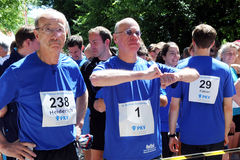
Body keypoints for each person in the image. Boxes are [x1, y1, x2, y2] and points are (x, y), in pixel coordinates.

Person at [89, 17, 199, 160]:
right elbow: (95, 79)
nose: (134, 36)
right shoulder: (109, 66)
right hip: (120, 154)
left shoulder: (151, 66)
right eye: (128, 32)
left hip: (151, 152)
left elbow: (194, 74)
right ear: (115, 38)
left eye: (137, 33)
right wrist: (142, 75)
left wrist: (176, 76)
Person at [0, 9, 88, 160]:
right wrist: (3, 145)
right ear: (37, 35)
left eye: (60, 29)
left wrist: (79, 124)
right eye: (48, 29)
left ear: (66, 33)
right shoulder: (18, 71)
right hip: (35, 153)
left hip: (69, 150)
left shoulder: (71, 66)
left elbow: (82, 92)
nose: (55, 35)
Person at [169, 24, 235, 160]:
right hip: (216, 134)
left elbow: (174, 105)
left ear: (193, 42)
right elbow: (228, 107)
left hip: (189, 135)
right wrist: (225, 132)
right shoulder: (224, 69)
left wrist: (171, 134)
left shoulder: (181, 68)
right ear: (212, 43)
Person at [0, 25, 40, 160]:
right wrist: (3, 145)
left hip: (40, 142)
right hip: (19, 143)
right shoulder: (7, 69)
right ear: (28, 42)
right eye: (39, 40)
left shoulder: (40, 65)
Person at [80, 26, 114, 160]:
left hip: (120, 122)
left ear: (107, 42)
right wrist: (93, 103)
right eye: (90, 42)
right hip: (98, 123)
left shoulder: (120, 63)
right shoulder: (86, 67)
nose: (91, 46)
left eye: (95, 42)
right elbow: (82, 96)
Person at [156, 42, 180, 158]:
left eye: (178, 53)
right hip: (161, 128)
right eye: (172, 53)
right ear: (164, 56)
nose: (176, 56)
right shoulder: (157, 75)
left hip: (180, 127)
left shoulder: (183, 75)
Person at [218, 42, 240, 160]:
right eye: (228, 53)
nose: (232, 55)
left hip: (235, 112)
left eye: (234, 53)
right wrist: (229, 120)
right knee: (225, 152)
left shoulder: (231, 69)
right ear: (221, 54)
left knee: (231, 152)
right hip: (227, 115)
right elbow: (224, 96)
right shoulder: (222, 70)